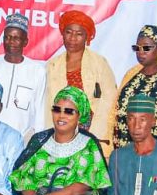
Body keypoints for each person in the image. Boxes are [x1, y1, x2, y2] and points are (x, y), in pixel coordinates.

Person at [9, 86, 111, 195]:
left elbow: (84, 184)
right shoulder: (40, 141)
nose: (61, 116)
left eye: (69, 111)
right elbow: (21, 180)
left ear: (80, 116)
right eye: (57, 109)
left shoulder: (88, 144)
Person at [46, 10, 117, 152]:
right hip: (61, 130)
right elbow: (48, 103)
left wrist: (95, 133)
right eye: (68, 32)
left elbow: (110, 98)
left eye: (79, 34)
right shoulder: (52, 65)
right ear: (62, 33)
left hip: (92, 129)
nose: (73, 38)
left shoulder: (99, 63)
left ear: (87, 37)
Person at [113, 25, 157, 149]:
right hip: (124, 147)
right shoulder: (131, 75)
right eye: (137, 48)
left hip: (155, 150)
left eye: (146, 48)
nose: (140, 52)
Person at [0, 13, 46, 140]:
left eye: (16, 38)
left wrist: (37, 141)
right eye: (7, 37)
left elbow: (40, 110)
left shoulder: (37, 71)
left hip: (22, 138)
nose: (11, 42)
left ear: (25, 42)